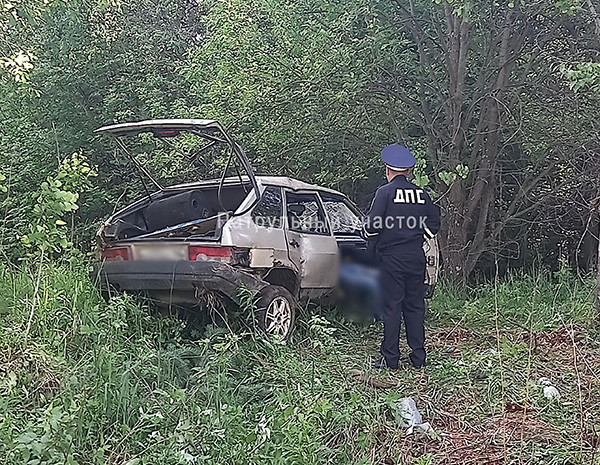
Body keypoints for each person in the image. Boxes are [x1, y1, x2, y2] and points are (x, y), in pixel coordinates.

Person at [364, 144, 440, 369]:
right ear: (408, 171)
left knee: (392, 308)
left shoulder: (384, 192)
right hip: (416, 256)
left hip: (392, 259)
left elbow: (372, 227)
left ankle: (391, 358)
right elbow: (434, 225)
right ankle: (418, 357)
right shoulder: (421, 193)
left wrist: (371, 234)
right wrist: (417, 235)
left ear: (388, 171)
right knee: (415, 307)